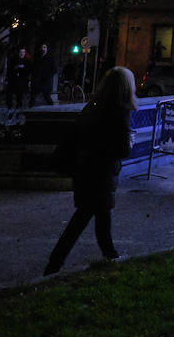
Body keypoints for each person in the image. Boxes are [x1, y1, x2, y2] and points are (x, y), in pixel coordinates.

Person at [43, 66, 138, 275]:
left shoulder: (92, 107)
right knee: (86, 216)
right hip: (102, 172)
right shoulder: (118, 111)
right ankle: (55, 263)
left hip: (85, 168)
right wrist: (129, 142)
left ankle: (108, 254)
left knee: (97, 215)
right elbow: (121, 149)